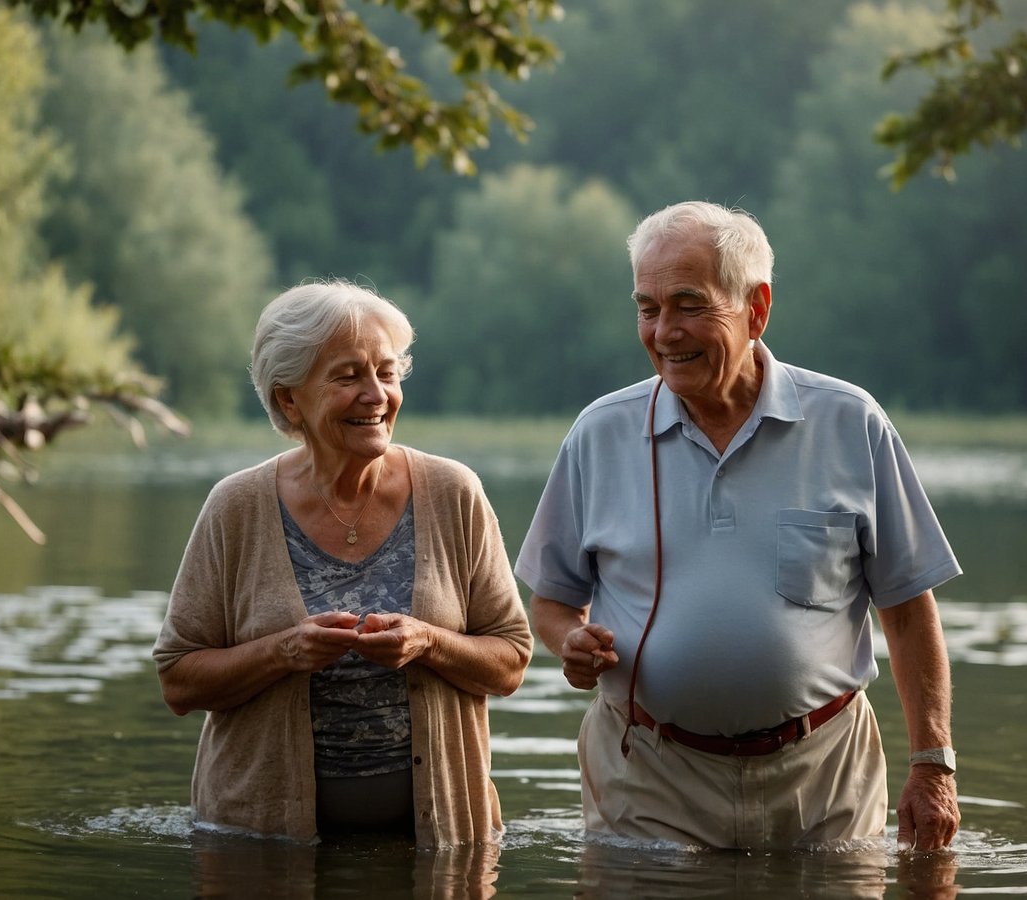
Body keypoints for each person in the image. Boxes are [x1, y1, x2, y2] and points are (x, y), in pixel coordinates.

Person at [515, 201, 962, 853]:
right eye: (648, 307)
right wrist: (571, 640)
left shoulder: (850, 424)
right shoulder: (599, 434)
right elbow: (551, 603)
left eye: (689, 304)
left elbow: (907, 609)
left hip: (824, 778)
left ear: (756, 309)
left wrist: (934, 763)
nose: (665, 332)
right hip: (647, 777)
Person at [153, 279, 533, 847]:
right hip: (260, 848)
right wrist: (284, 652)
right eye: (348, 375)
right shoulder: (236, 506)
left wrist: (428, 642)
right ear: (289, 399)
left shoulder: (454, 492)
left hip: (441, 846)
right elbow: (179, 680)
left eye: (386, 372)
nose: (376, 394)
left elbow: (511, 661)